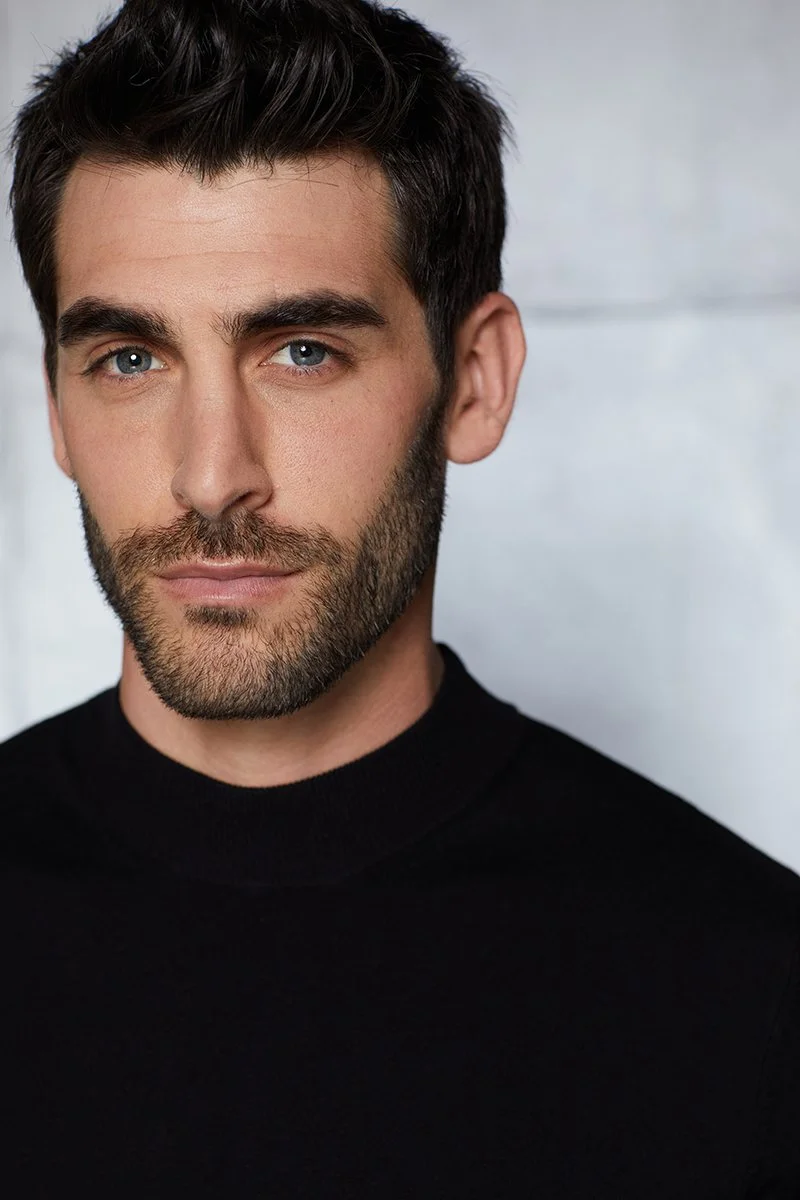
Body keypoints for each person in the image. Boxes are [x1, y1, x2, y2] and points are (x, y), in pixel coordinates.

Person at [2, 0, 798, 1194]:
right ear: (59, 410)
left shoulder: (747, 986)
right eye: (128, 359)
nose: (210, 475)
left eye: (302, 351)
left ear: (472, 382)